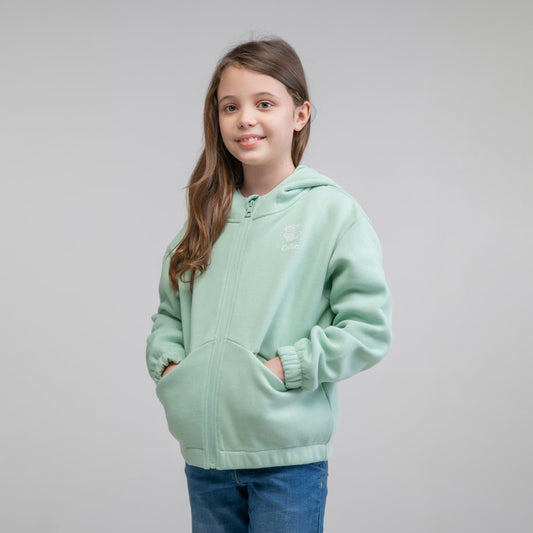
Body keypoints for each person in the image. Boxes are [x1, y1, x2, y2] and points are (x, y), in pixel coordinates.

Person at [146, 36, 392, 533]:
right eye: (230, 106)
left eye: (264, 104)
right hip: (207, 461)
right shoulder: (205, 216)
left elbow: (368, 328)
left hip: (286, 463)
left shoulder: (331, 212)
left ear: (300, 114)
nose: (245, 119)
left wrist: (287, 368)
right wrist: (172, 367)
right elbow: (171, 312)